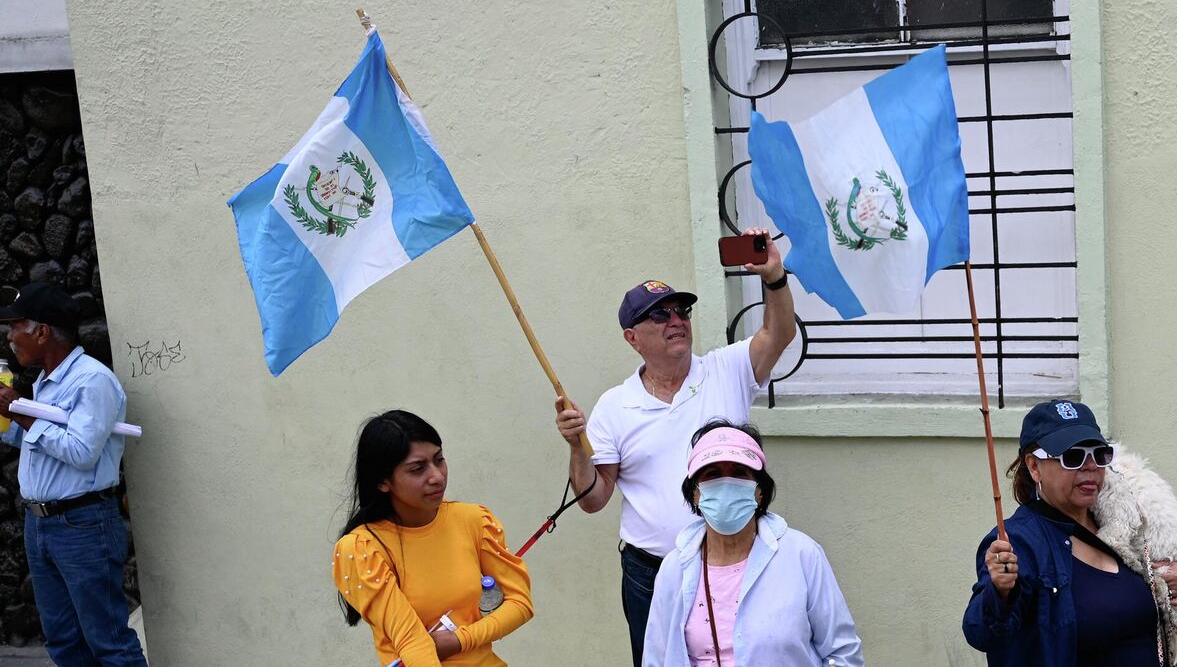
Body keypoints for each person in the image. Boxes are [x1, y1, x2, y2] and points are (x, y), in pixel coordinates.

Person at [553, 227, 795, 665]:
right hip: (651, 571)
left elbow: (778, 334)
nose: (677, 320)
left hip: (735, 561)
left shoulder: (727, 369)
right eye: (659, 315)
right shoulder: (615, 405)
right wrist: (576, 447)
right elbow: (594, 499)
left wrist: (773, 278)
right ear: (632, 337)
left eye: (681, 310)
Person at [963, 400, 1177, 666]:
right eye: (1073, 456)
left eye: (1098, 454)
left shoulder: (1123, 522)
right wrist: (1000, 593)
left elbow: (1161, 578)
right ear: (1034, 467)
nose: (1090, 466)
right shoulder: (1019, 542)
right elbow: (983, 633)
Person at [0, 282, 148, 666]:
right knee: (64, 642)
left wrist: (20, 413)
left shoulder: (92, 380)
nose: (9, 336)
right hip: (43, 525)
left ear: (43, 331)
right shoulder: (44, 383)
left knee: (109, 642)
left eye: (15, 326)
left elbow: (82, 451)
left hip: (81, 524)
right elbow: (40, 442)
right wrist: (11, 421)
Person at [641, 420, 862, 666]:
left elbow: (843, 653)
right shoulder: (674, 569)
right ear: (695, 494)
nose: (726, 483)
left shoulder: (802, 555)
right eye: (712, 474)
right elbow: (656, 657)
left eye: (739, 472)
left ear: (759, 491)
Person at [333, 410, 532, 666]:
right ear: (383, 482)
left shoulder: (473, 520)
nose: (437, 476)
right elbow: (411, 642)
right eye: (417, 469)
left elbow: (520, 603)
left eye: (439, 459)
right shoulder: (362, 549)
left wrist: (460, 640)